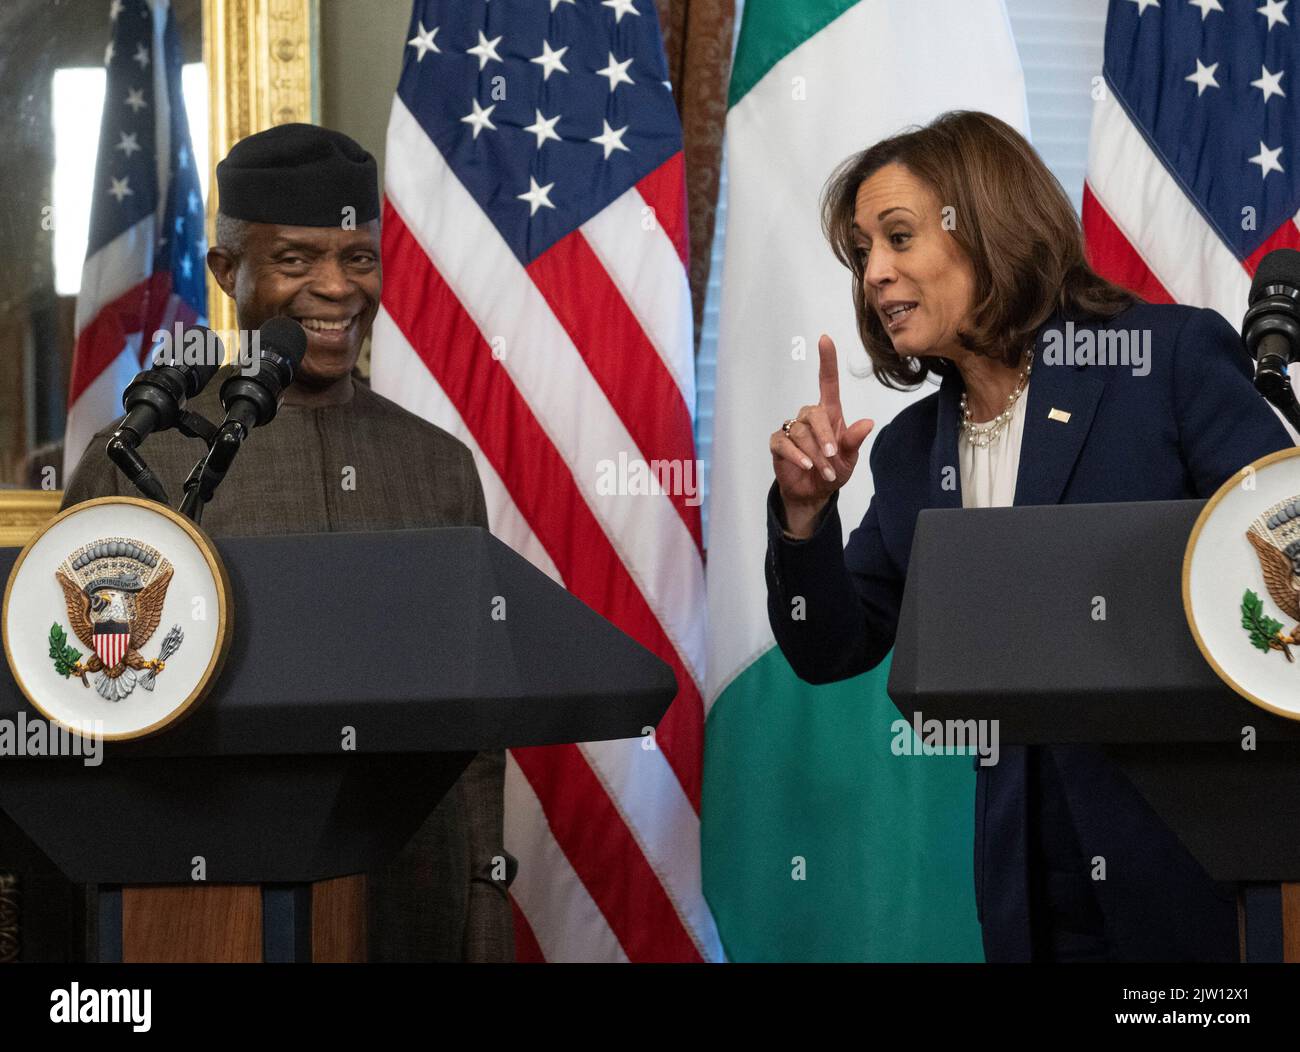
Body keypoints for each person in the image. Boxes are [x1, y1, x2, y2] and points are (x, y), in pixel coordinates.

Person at [766, 110, 1293, 962]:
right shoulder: (908, 451)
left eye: (898, 237)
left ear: (984, 225)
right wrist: (803, 517)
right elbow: (831, 646)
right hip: (1026, 884)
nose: (875, 273)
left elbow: (1279, 574)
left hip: (1198, 866)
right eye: (863, 252)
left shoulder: (1166, 363)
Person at [62, 122, 514, 962]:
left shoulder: (438, 465)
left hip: (411, 891)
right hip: (199, 893)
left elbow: (477, 721)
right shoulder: (140, 458)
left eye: (359, 257)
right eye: (297, 261)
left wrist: (485, 891)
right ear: (229, 272)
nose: (336, 289)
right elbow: (82, 706)